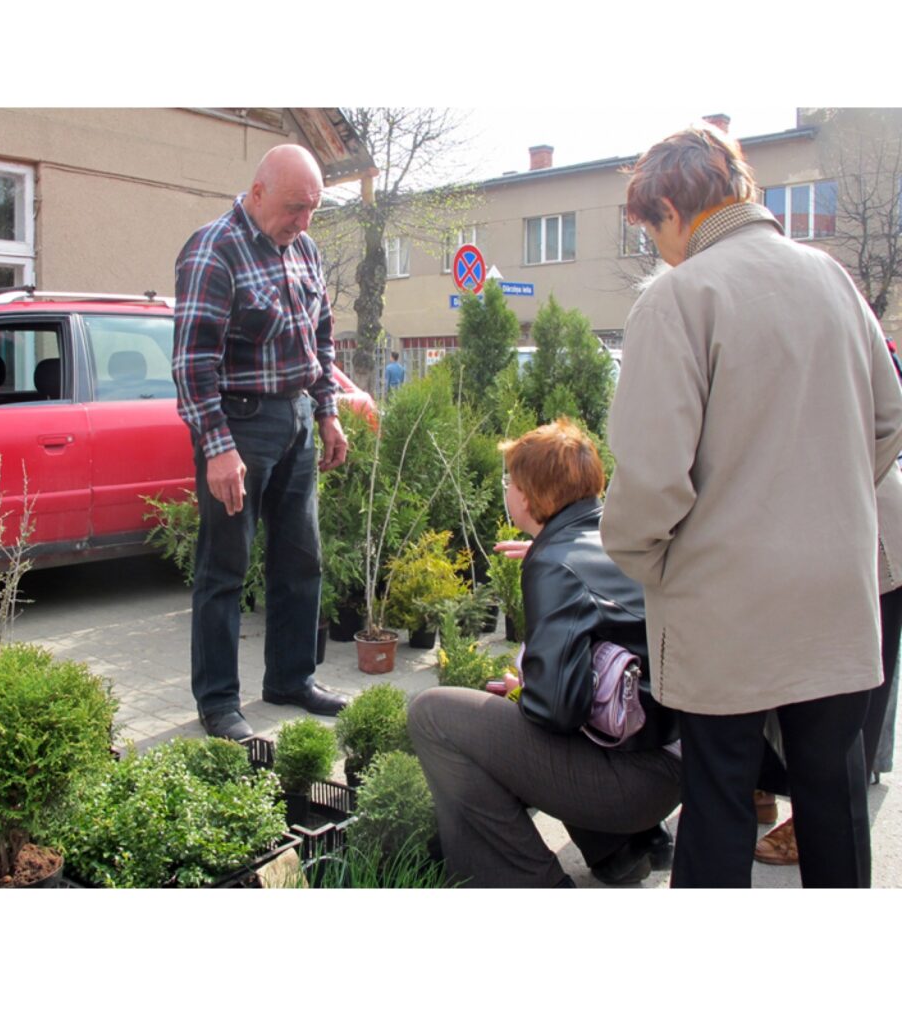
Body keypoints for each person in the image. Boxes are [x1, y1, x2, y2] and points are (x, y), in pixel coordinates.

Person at [600, 124, 902, 887]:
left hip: (724, 606)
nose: (655, 246)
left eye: (650, 226)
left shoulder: (680, 297)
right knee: (835, 794)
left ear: (673, 207)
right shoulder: (830, 277)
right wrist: (828, 500)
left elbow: (650, 478)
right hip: (838, 591)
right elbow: (889, 415)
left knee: (721, 799)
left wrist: (643, 558)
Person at [408, 420, 681, 887]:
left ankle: (530, 885)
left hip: (633, 781)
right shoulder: (615, 536)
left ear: (529, 499)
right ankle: (618, 851)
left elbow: (556, 709)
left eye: (509, 483)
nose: (507, 491)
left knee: (434, 715)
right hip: (674, 759)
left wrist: (525, 688)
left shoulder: (555, 566)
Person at [172, 144, 350, 742]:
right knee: (224, 568)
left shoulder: (305, 249)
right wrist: (218, 447)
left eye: (312, 210)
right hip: (238, 426)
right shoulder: (213, 249)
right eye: (295, 207)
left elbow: (320, 338)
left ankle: (291, 680)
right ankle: (219, 703)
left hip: (297, 420)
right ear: (257, 192)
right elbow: (193, 363)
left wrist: (327, 413)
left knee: (302, 561)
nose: (303, 222)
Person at [754, 463, 902, 865]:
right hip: (810, 526)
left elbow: (889, 422)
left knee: (851, 708)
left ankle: (814, 822)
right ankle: (762, 789)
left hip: (868, 532)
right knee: (767, 667)